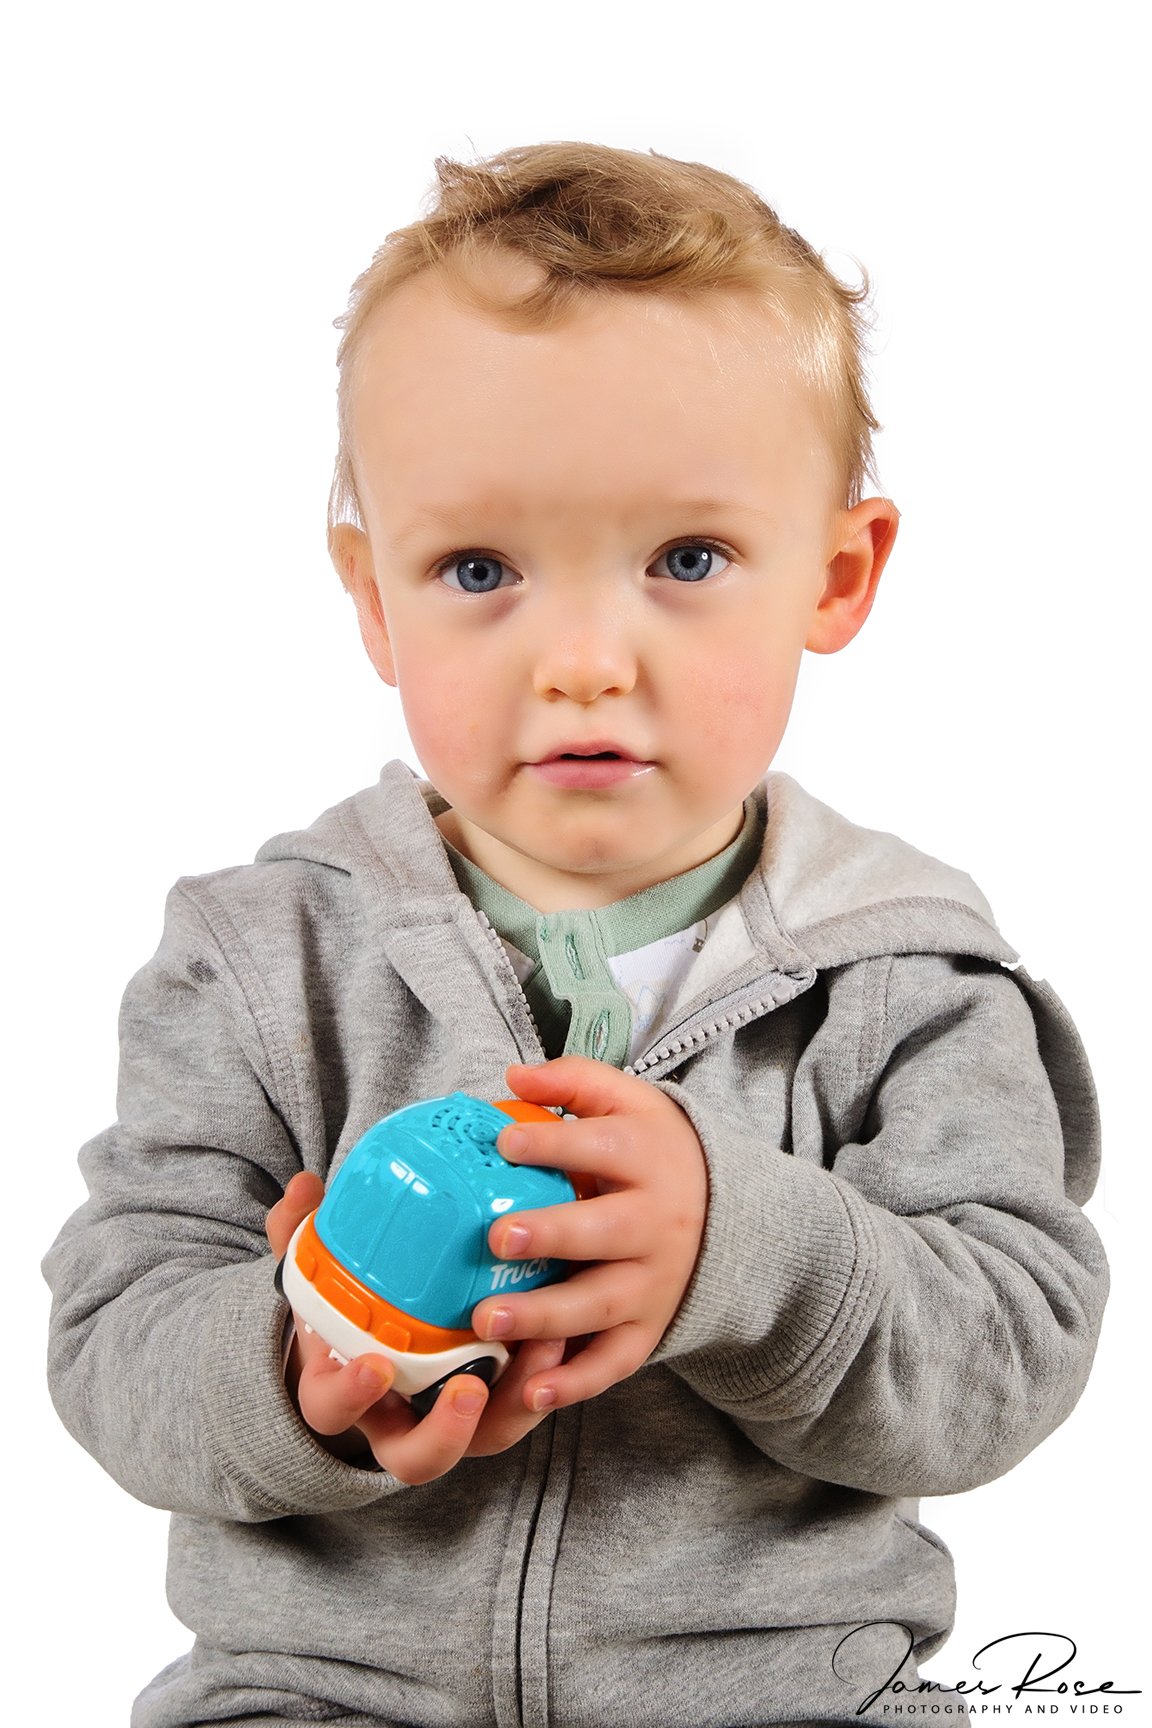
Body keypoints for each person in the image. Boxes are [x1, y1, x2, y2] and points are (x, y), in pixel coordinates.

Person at [43, 141, 1109, 1728]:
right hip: (325, 1693)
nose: (586, 660)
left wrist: (735, 1250)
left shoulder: (908, 978)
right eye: (481, 569)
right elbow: (116, 1320)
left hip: (782, 1697)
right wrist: (294, 1373)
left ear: (836, 573)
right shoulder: (263, 958)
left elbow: (1003, 1355)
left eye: (687, 560)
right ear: (374, 601)